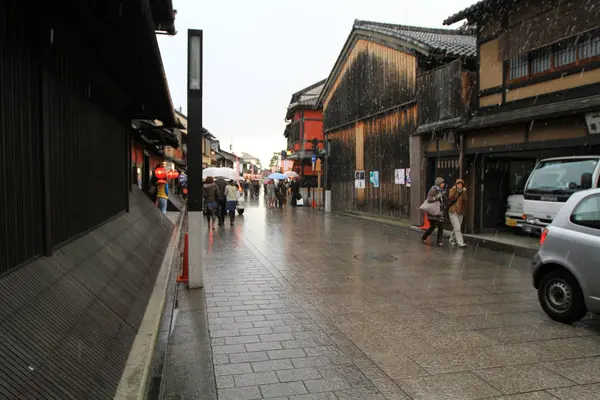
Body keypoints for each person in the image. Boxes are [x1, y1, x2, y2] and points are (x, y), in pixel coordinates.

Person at [422, 177, 446, 246]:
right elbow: (429, 199)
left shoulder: (441, 190)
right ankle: (424, 237)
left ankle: (439, 242)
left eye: (443, 183)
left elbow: (442, 200)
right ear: (438, 183)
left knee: (441, 226)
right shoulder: (433, 190)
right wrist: (438, 196)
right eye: (442, 183)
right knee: (433, 227)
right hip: (433, 211)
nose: (443, 184)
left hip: (440, 211)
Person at [448, 179, 467, 248]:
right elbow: (450, 197)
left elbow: (465, 199)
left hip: (460, 211)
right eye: (458, 184)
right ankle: (460, 243)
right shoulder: (452, 190)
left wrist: (464, 192)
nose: (459, 185)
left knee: (456, 227)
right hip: (453, 211)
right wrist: (455, 190)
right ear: (456, 184)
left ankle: (451, 240)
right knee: (457, 227)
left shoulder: (463, 191)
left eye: (461, 184)